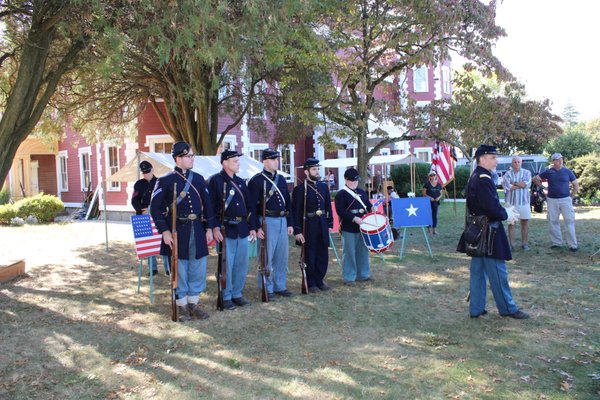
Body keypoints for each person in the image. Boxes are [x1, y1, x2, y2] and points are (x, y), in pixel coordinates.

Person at [457, 144, 530, 320]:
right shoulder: (483, 178)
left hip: (478, 230)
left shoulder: (477, 176)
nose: (496, 161)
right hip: (489, 231)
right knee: (498, 272)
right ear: (482, 159)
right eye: (493, 157)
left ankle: (476, 308)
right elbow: (492, 208)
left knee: (478, 273)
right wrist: (506, 213)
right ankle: (508, 308)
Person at [150, 142, 215, 322]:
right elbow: (154, 209)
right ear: (178, 158)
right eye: (189, 156)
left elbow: (208, 205)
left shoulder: (200, 179)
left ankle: (194, 302)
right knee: (181, 267)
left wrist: (210, 227)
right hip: (178, 229)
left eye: (193, 156)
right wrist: (164, 231)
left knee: (198, 265)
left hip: (198, 230)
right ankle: (182, 305)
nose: (192, 159)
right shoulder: (165, 180)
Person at [209, 150, 256, 310]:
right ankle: (226, 295)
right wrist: (214, 227)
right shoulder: (215, 181)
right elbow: (210, 208)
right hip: (225, 229)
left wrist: (253, 227)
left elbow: (250, 207)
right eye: (235, 161)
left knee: (241, 264)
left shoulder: (242, 182)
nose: (238, 163)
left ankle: (237, 294)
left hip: (242, 228)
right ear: (225, 163)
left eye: (238, 161)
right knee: (226, 265)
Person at [248, 148, 294, 300]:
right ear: (265, 161)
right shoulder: (256, 181)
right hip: (267, 221)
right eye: (273, 159)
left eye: (277, 159)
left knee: (282, 256)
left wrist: (290, 223)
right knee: (266, 256)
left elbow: (288, 202)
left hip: (282, 220)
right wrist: (256, 227)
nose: (277, 161)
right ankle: (266, 287)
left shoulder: (280, 179)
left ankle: (280, 285)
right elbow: (252, 208)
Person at [291, 157, 333, 293]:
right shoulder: (299, 189)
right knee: (310, 254)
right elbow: (295, 211)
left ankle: (319, 279)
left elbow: (328, 206)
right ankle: (311, 282)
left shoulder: (323, 187)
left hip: (322, 224)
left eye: (318, 169)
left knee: (323, 253)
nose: (317, 172)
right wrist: (297, 230)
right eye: (314, 169)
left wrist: (330, 222)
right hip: (308, 225)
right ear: (306, 172)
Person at [335, 168, 375, 286]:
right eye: (353, 180)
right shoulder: (341, 194)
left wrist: (372, 208)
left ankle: (363, 274)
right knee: (349, 253)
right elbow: (340, 211)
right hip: (349, 227)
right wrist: (353, 218)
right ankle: (349, 277)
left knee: (363, 251)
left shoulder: (361, 192)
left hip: (362, 227)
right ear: (346, 180)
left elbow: (367, 204)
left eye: (356, 180)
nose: (355, 183)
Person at [533, 153, 578, 251]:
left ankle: (572, 245)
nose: (560, 161)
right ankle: (556, 242)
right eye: (557, 160)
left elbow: (575, 184)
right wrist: (543, 187)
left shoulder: (567, 171)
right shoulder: (549, 172)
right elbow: (536, 179)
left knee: (569, 221)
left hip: (565, 199)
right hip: (552, 200)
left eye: (561, 159)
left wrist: (571, 197)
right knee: (553, 221)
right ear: (553, 161)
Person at [131, 160, 159, 275]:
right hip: (143, 216)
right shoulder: (139, 184)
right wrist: (142, 210)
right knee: (148, 243)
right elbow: (134, 200)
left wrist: (150, 209)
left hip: (157, 215)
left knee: (162, 242)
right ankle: (152, 269)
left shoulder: (159, 182)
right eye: (144, 172)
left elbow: (163, 201)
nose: (146, 174)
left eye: (148, 171)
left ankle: (168, 269)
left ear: (152, 169)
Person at [502, 156, 532, 251]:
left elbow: (526, 184)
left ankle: (524, 244)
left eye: (518, 162)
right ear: (512, 163)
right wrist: (520, 185)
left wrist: (514, 183)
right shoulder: (507, 174)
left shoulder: (527, 173)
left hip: (524, 202)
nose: (517, 164)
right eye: (515, 162)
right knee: (511, 223)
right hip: (510, 203)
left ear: (521, 162)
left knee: (525, 222)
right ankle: (511, 245)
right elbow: (508, 187)